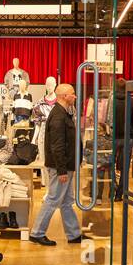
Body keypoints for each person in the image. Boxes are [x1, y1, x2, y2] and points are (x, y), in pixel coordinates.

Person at [29, 83, 82, 246]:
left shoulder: (63, 113)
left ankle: (74, 234)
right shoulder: (59, 116)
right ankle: (37, 232)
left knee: (66, 201)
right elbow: (57, 146)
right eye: (72, 94)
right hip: (62, 167)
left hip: (65, 166)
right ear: (64, 96)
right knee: (53, 199)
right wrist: (62, 170)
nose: (75, 96)